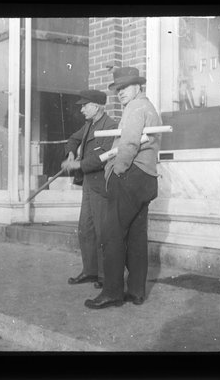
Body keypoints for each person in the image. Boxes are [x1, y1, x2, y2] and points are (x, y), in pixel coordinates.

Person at [84, 67, 162, 309]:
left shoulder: (135, 107)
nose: (120, 93)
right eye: (117, 89)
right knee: (137, 237)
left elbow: (129, 142)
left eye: (125, 88)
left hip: (130, 175)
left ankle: (112, 292)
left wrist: (118, 169)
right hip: (148, 179)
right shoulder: (150, 108)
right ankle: (136, 292)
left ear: (138, 86)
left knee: (111, 234)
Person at [62, 89, 117, 289]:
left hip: (101, 186)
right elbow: (73, 139)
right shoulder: (88, 124)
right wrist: (70, 154)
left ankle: (104, 275)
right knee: (85, 229)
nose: (82, 109)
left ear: (97, 106)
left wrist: (79, 165)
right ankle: (89, 270)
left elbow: (106, 154)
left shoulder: (111, 126)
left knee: (103, 232)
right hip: (87, 184)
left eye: (85, 105)